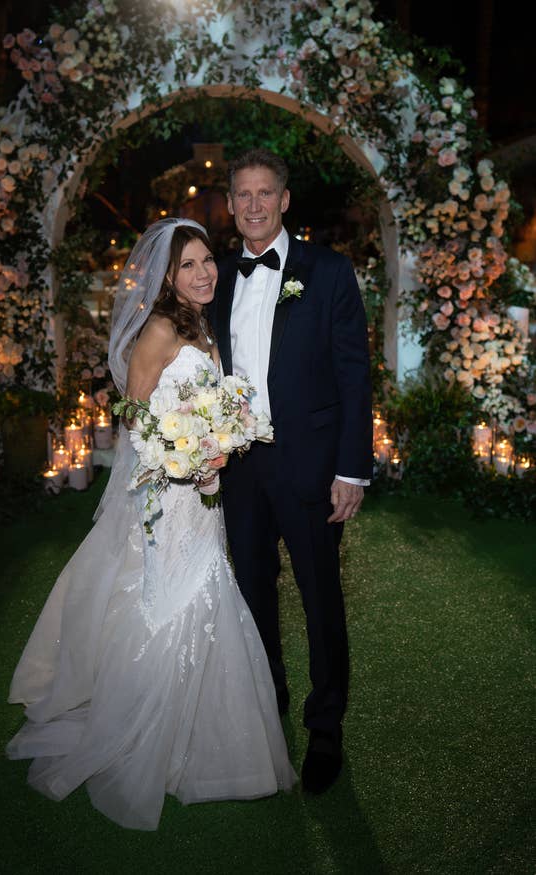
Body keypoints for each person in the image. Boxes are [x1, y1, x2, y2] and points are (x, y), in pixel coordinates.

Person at [6, 218, 296, 831]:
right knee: (166, 600)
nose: (203, 273)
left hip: (204, 496)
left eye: (207, 262)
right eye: (188, 265)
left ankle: (213, 739)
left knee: (209, 590)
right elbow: (133, 417)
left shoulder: (204, 325)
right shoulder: (159, 330)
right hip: (168, 495)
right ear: (166, 275)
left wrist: (220, 447)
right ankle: (142, 733)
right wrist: (182, 459)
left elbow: (217, 406)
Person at [211, 149, 373, 795]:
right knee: (252, 596)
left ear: (285, 199)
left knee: (320, 598)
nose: (253, 205)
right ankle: (267, 701)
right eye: (242, 195)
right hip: (240, 467)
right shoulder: (217, 277)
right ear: (229, 204)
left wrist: (352, 471)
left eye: (264, 193)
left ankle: (325, 727)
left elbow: (353, 376)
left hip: (310, 466)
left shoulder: (328, 272)